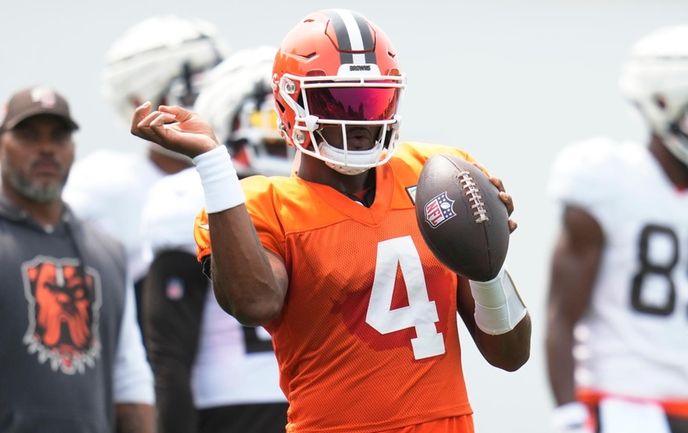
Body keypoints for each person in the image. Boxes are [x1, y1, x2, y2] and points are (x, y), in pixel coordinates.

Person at [129, 9, 531, 433]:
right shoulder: (263, 204)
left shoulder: (437, 174)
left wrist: (487, 265)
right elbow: (254, 304)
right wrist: (213, 165)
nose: (357, 121)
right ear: (289, 103)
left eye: (372, 101)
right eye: (336, 100)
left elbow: (510, 355)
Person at [545, 25, 688, 433]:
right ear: (663, 102)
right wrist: (569, 414)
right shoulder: (608, 180)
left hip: (685, 410)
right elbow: (561, 316)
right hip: (616, 405)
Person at [140, 48, 291, 433]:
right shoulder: (187, 202)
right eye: (265, 116)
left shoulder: (308, 199)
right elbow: (170, 357)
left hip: (307, 401)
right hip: (230, 411)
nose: (279, 132)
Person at [0, 86, 155, 432]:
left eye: (59, 137)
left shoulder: (107, 251)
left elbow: (129, 374)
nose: (46, 149)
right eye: (28, 135)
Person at [64, 15, 227, 287]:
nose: (207, 109)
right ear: (142, 103)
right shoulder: (104, 183)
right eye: (192, 96)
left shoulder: (238, 177)